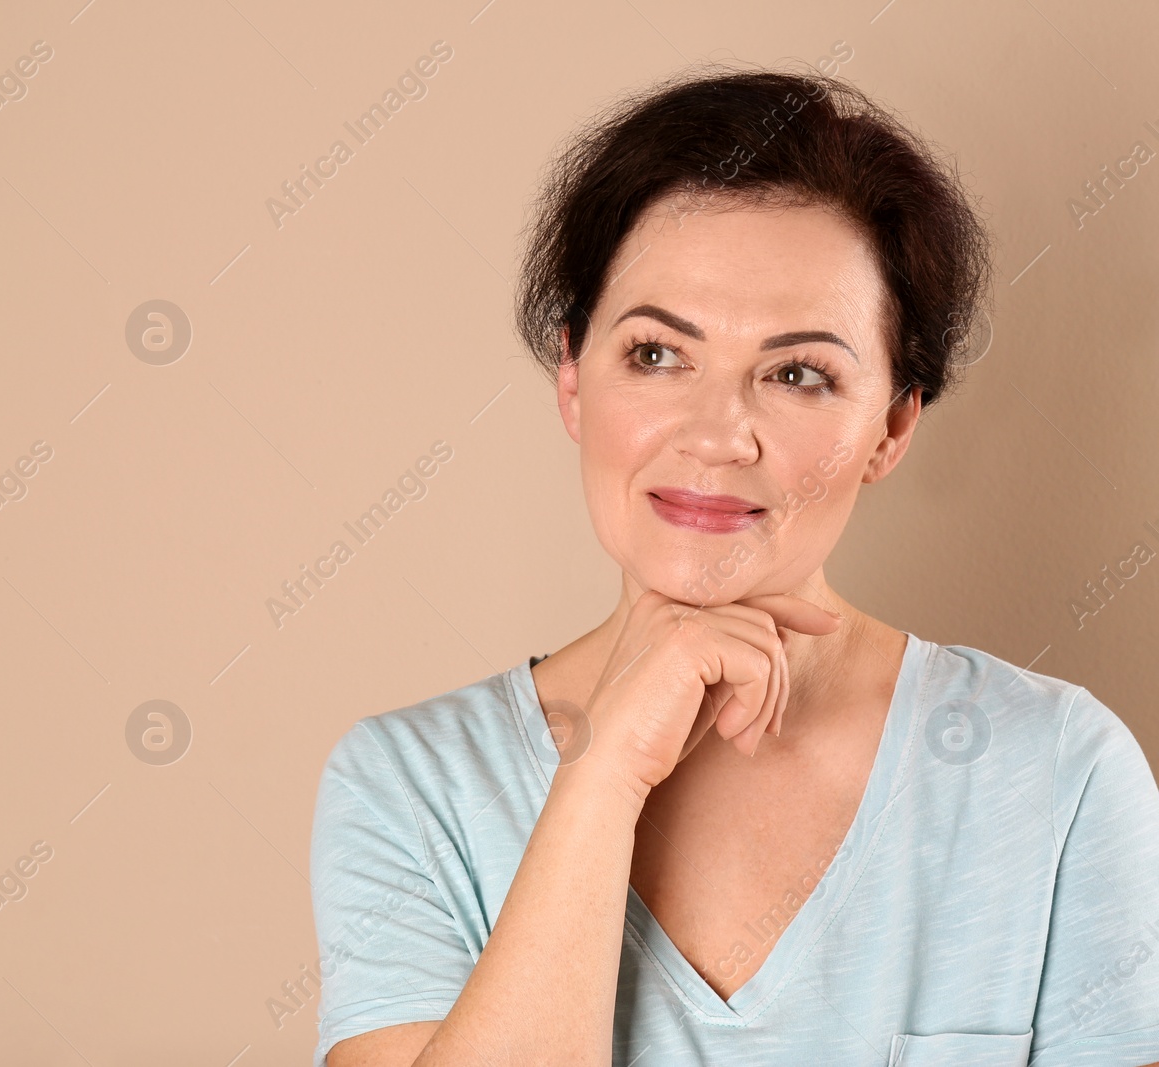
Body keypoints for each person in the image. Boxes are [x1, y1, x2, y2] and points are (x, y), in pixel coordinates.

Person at [308, 66, 1159, 1067]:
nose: (716, 435)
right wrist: (603, 774)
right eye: (658, 355)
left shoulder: (1054, 771)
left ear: (890, 426)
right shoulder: (408, 784)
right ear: (574, 379)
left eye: (798, 373)